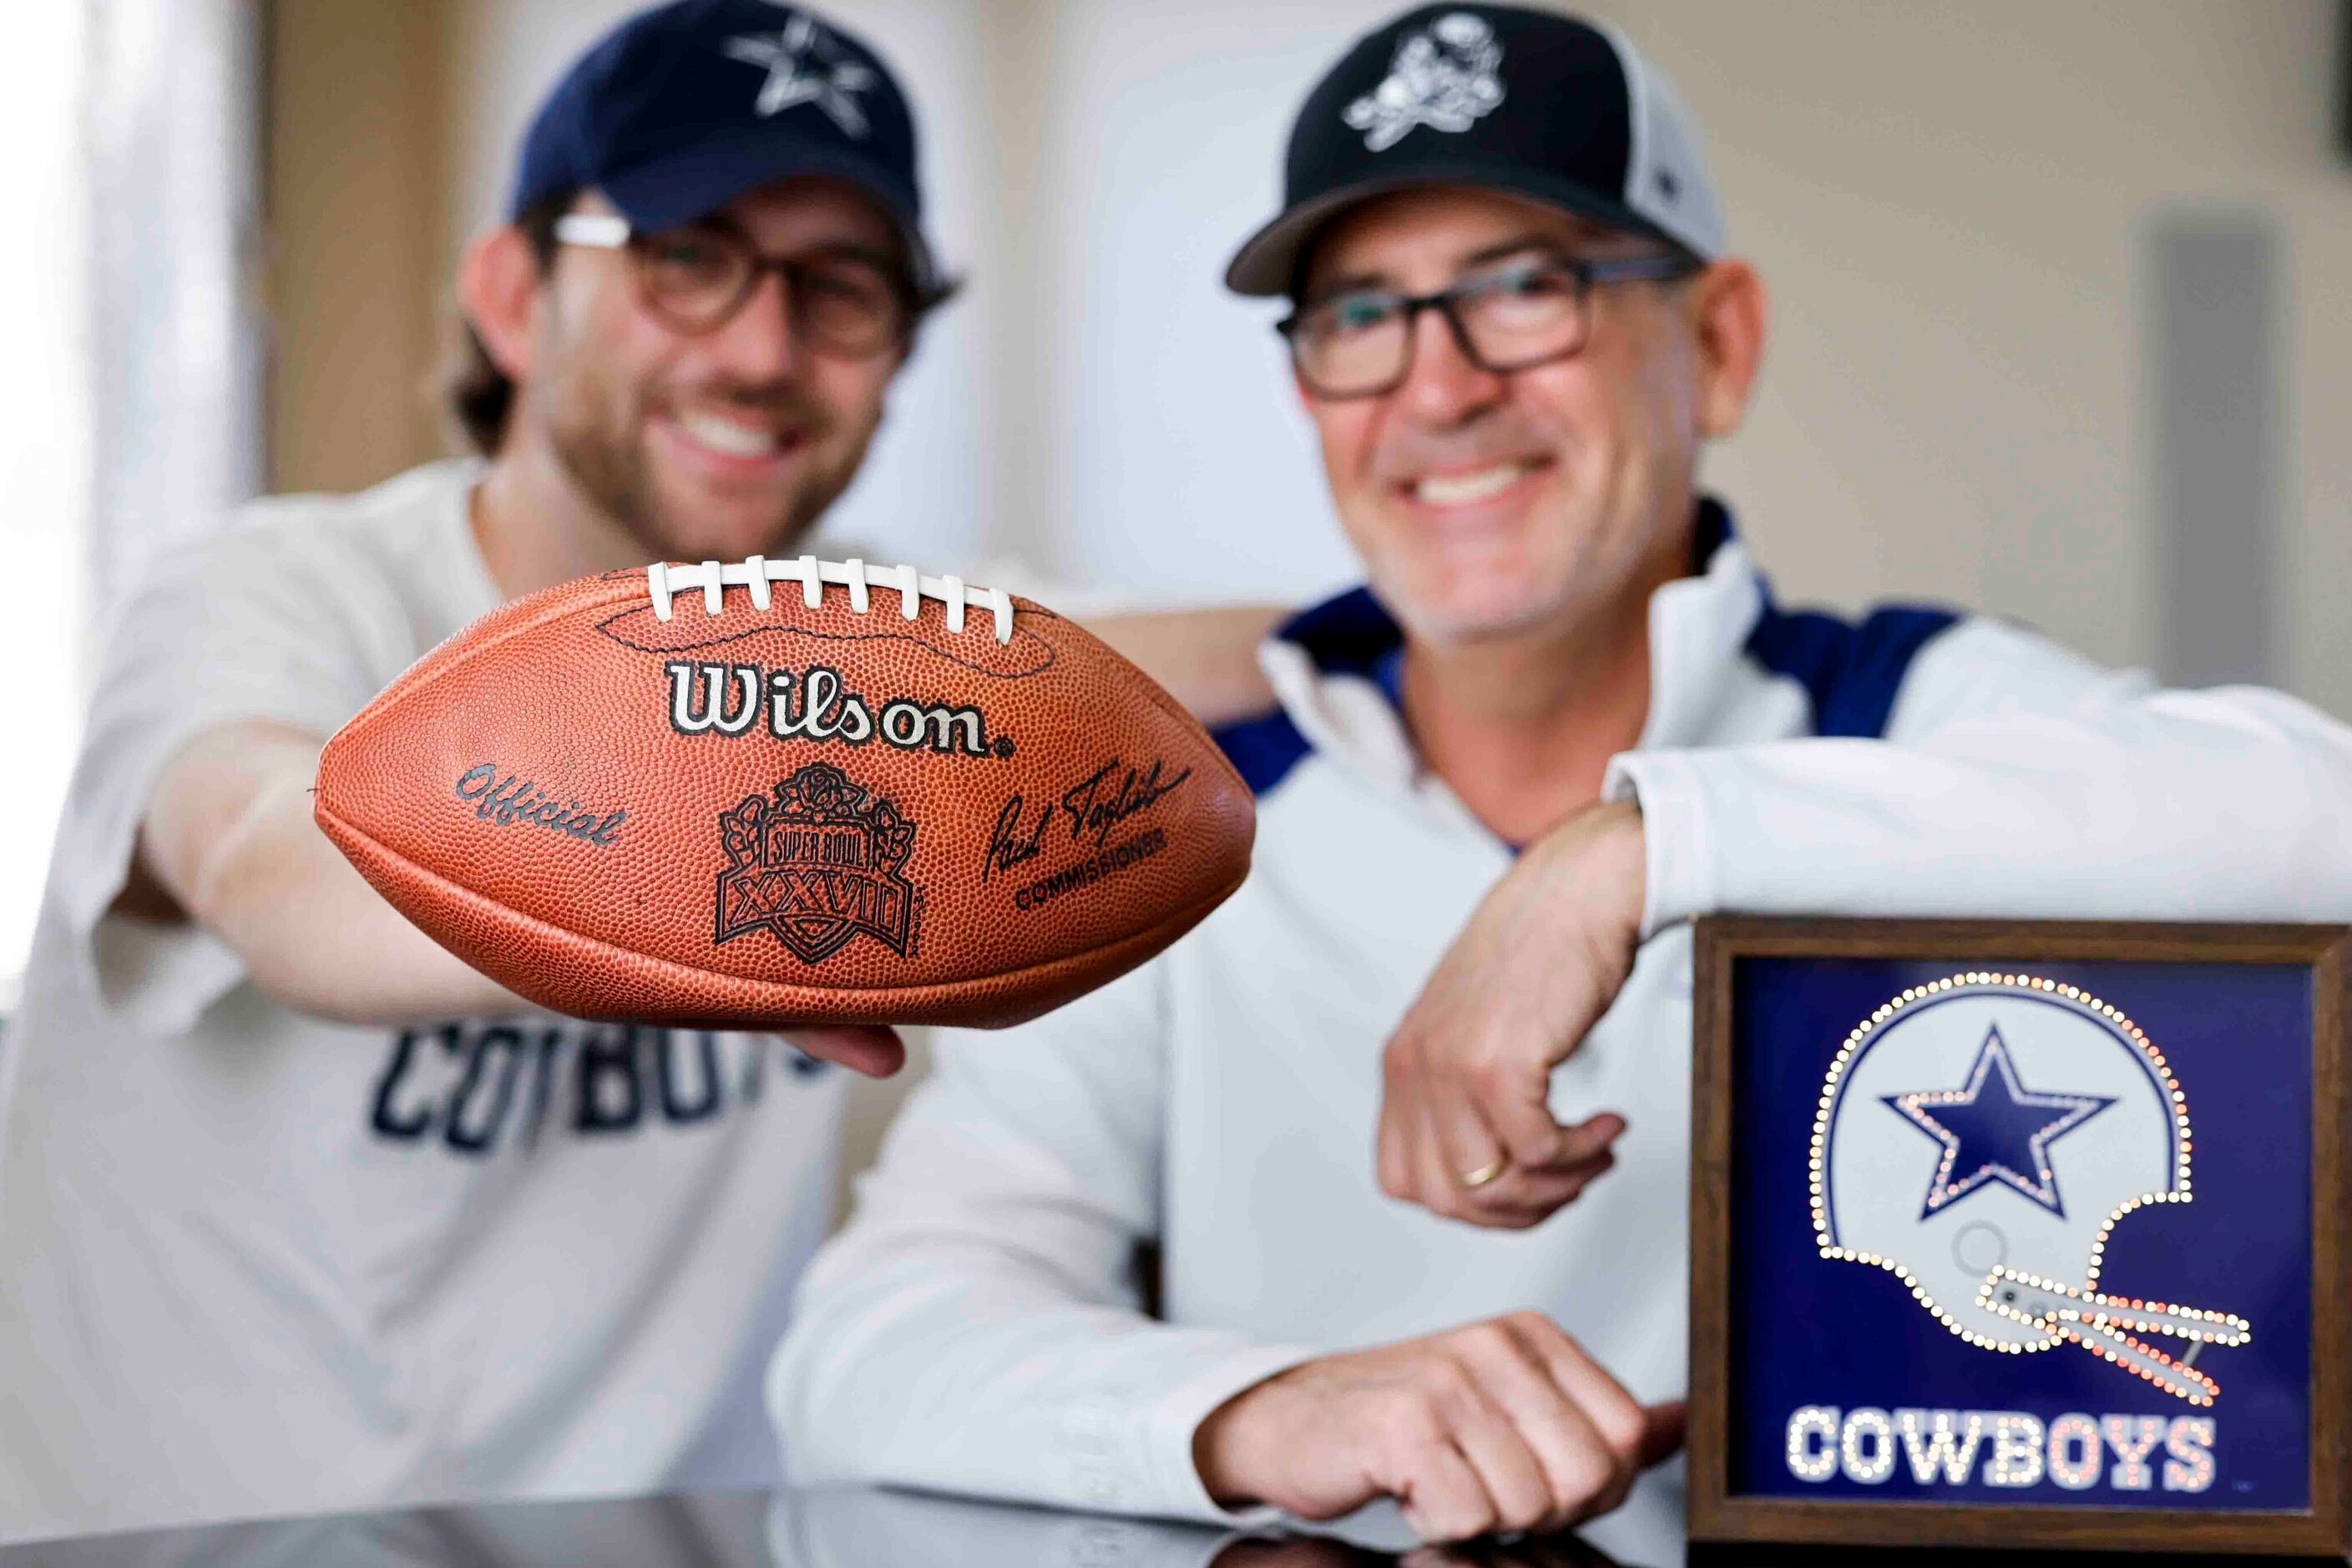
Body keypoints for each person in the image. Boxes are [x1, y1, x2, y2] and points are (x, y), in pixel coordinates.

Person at [769, 5, 2352, 1560]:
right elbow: (867, 1347)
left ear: (1717, 344)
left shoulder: (1897, 711)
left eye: (1524, 288)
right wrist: (1270, 1406)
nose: (1438, 389)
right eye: (1358, 315)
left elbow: (2316, 813)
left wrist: (1634, 852)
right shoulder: (1162, 822)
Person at [0, 0, 1267, 1543]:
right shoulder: (275, 592)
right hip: (183, 1540)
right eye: (685, 253)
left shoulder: (869, 650)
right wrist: (665, 881)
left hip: (666, 1533)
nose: (761, 348)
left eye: (844, 289)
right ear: (513, 295)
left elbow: (1197, 656)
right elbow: (270, 860)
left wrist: (1509, 605)